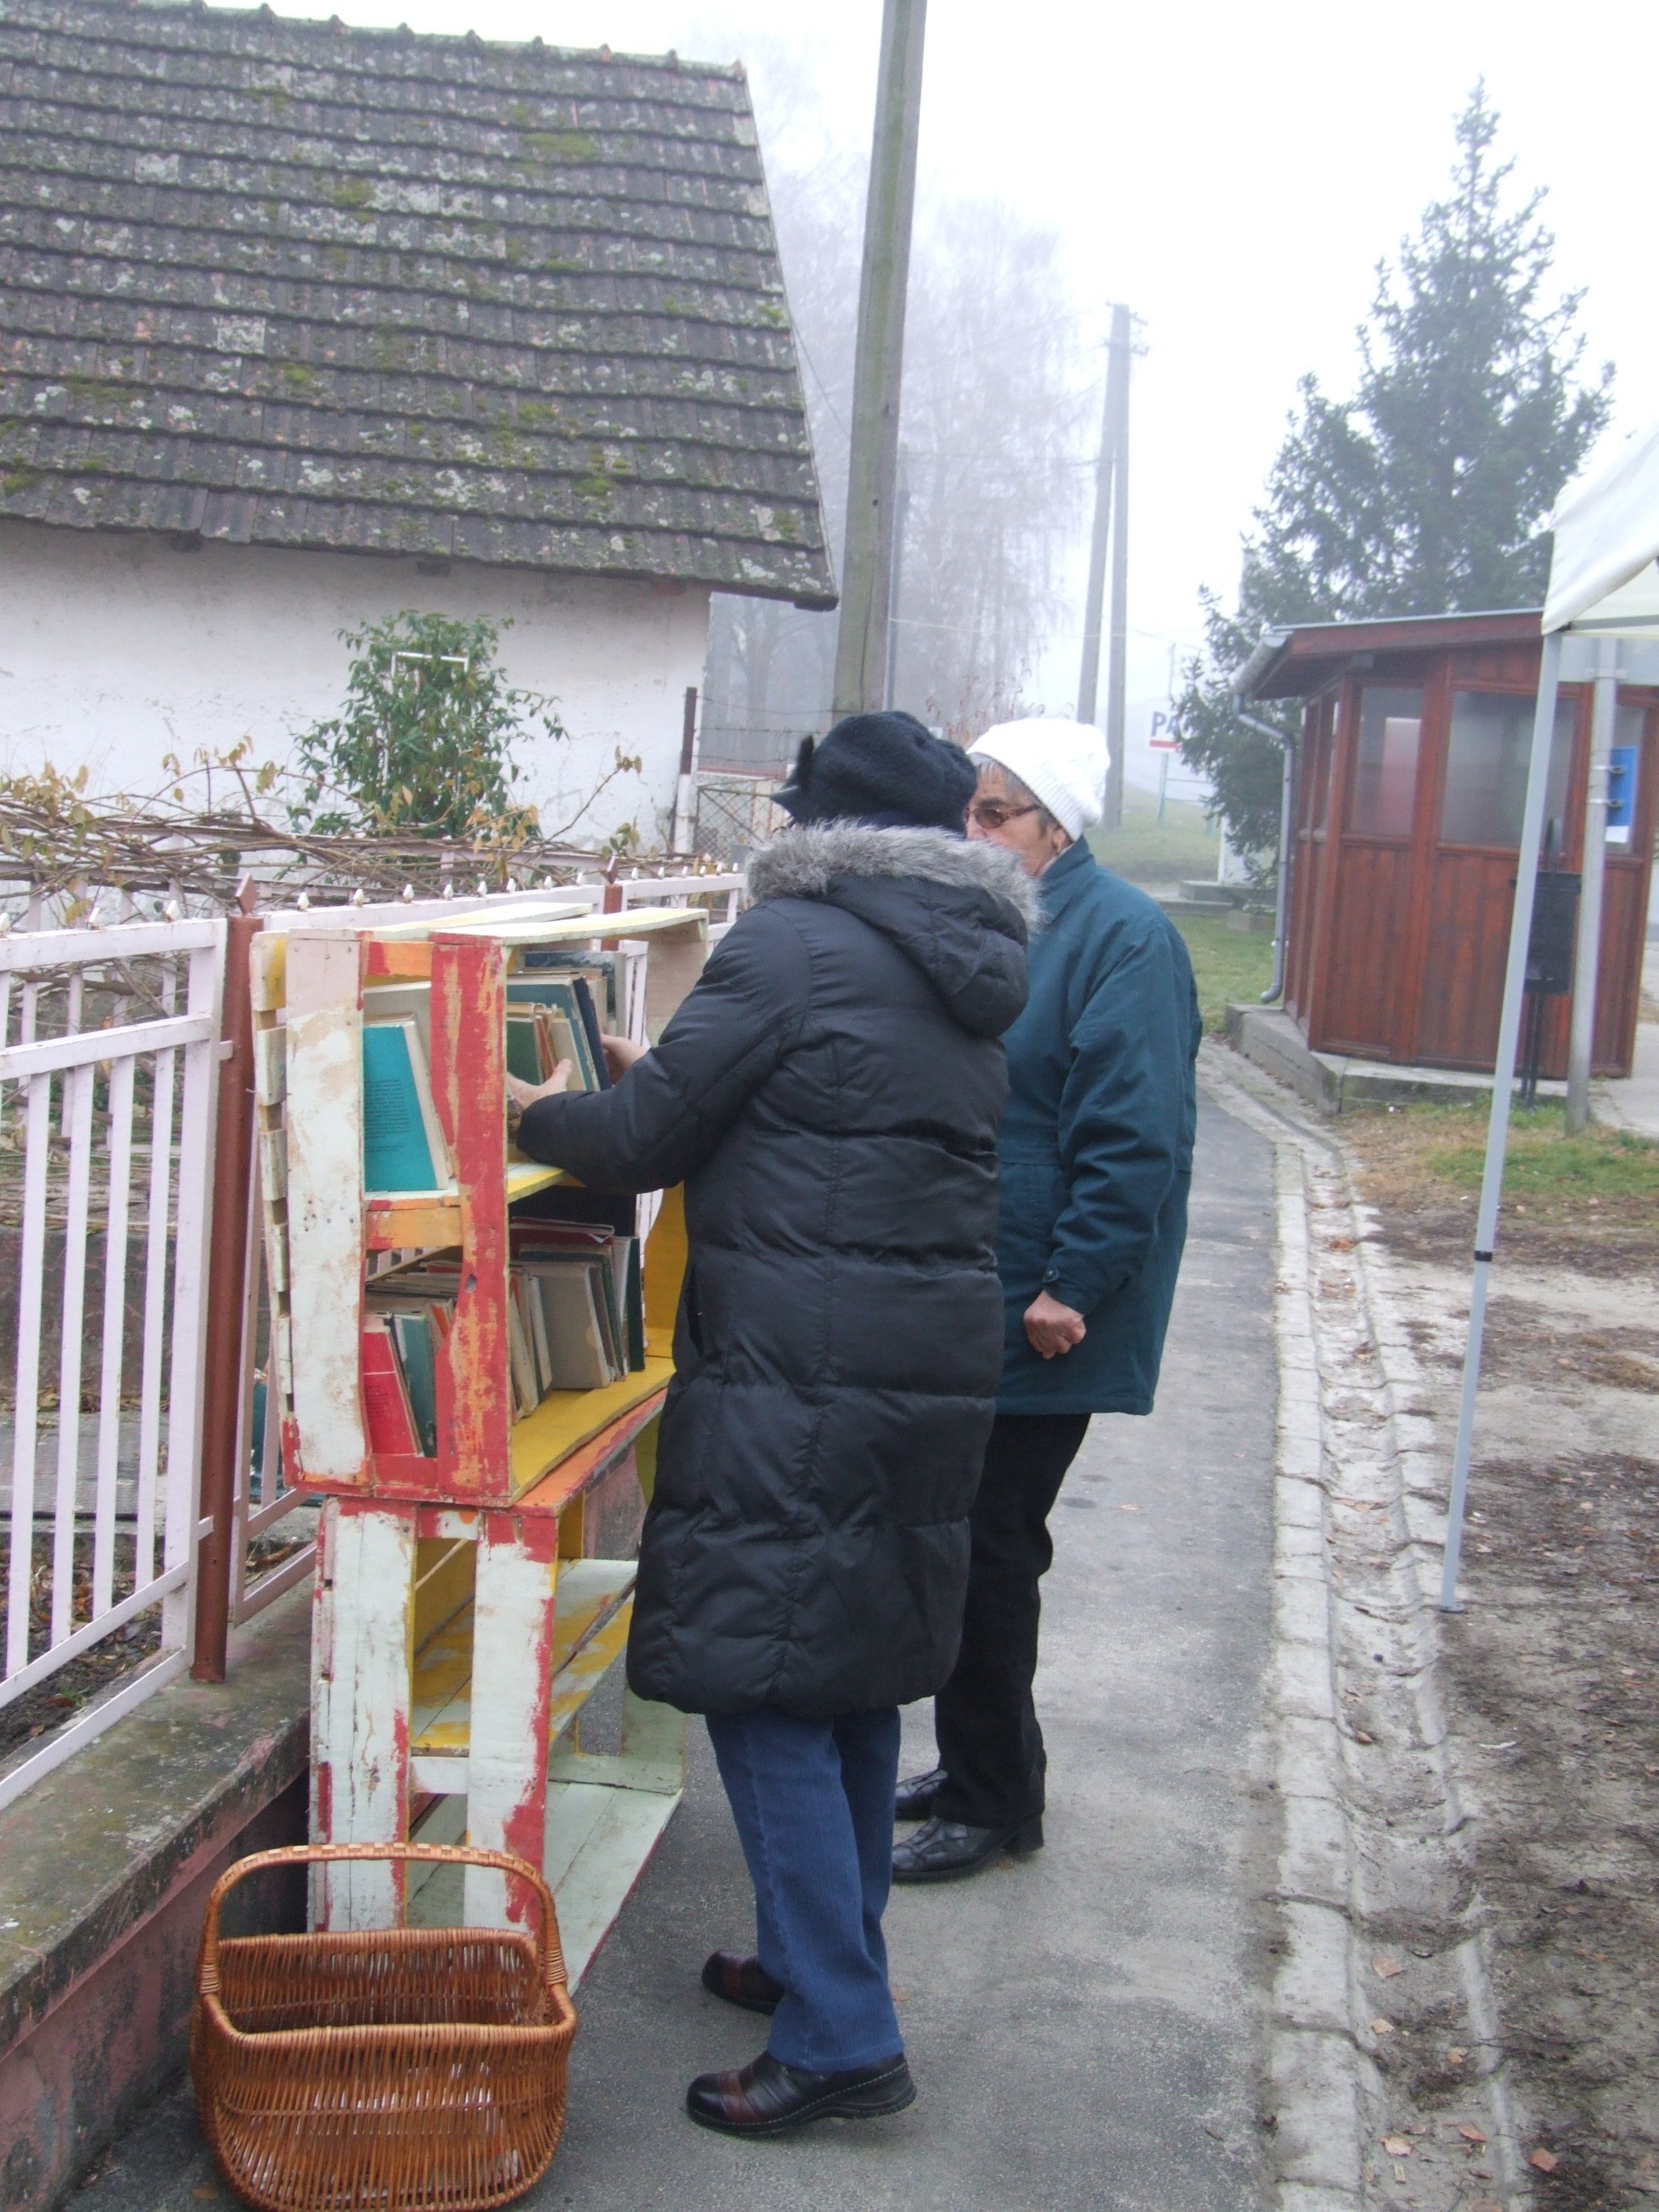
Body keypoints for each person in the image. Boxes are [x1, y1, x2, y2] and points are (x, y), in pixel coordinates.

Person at [508, 711, 1036, 2133]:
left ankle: (843, 2039)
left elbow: (642, 1146)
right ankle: (819, 1966)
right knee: (845, 1681)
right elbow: (807, 1103)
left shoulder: (792, 943)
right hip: (914, 1366)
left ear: (819, 829)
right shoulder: (957, 959)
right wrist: (663, 1069)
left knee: (763, 1683)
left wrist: (533, 1106)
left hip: (804, 1371)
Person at [891, 717, 1202, 1884]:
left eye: (995, 814)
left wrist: (1075, 1282)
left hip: (1047, 1300)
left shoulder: (1123, 937)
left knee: (990, 1549)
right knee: (970, 1542)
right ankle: (983, 1766)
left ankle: (992, 1803)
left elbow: (1135, 1134)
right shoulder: (1020, 919)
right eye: (967, 812)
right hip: (994, 1280)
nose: (972, 833)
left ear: (1056, 824)